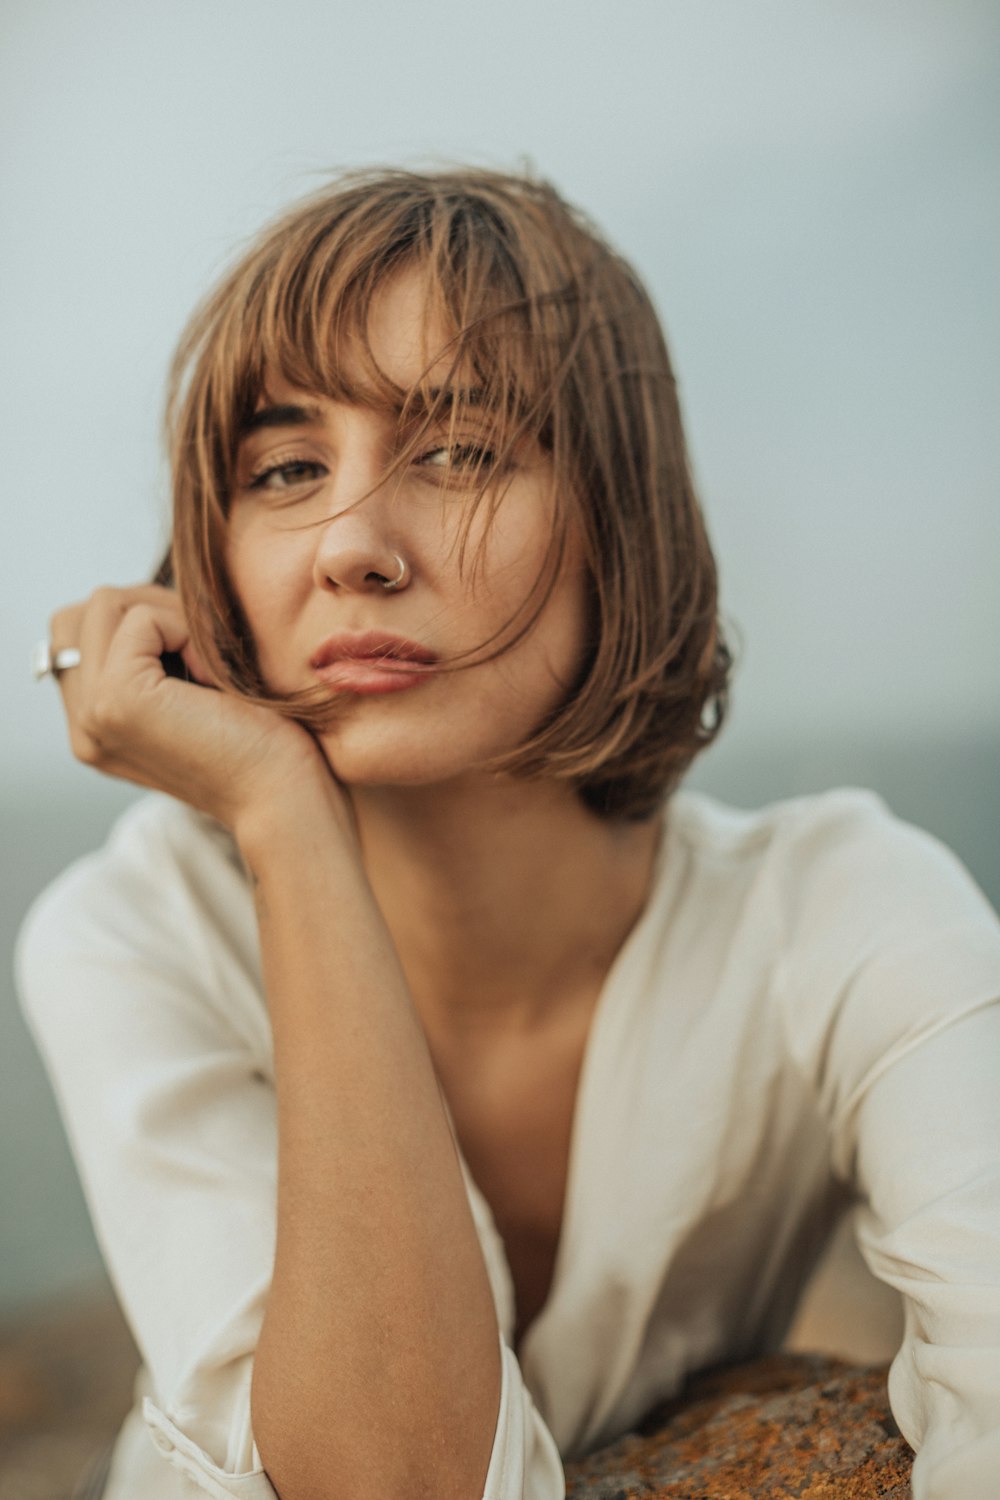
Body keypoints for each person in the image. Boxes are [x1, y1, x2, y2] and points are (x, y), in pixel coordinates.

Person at [17, 168, 1000, 1500]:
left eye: (462, 450)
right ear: (213, 560)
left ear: (621, 523)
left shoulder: (840, 911)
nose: (353, 545)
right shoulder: (133, 936)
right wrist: (285, 824)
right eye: (288, 468)